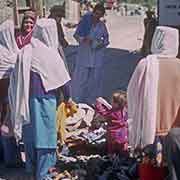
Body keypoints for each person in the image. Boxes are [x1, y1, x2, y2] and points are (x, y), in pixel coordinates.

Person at [10, 17, 72, 179]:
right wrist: (68, 98)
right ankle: (44, 173)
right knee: (46, 137)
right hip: (45, 99)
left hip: (25, 100)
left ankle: (30, 169)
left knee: (30, 135)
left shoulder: (26, 50)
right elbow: (64, 81)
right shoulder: (50, 54)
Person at [128, 26, 180, 152]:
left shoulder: (146, 64)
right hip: (176, 128)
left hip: (150, 129)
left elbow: (132, 93)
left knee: (152, 167)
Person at [72, 3, 109, 105]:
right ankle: (77, 100)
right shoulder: (85, 22)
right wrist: (84, 40)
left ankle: (91, 101)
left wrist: (100, 44)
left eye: (100, 15)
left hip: (97, 56)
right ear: (93, 12)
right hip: (84, 55)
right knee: (80, 79)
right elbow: (76, 35)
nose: (97, 16)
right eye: (96, 14)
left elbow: (106, 39)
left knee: (94, 80)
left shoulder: (102, 25)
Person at [0, 20, 21, 167]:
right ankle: (9, 159)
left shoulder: (11, 49)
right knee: (8, 126)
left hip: (7, 93)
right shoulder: (8, 52)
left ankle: (6, 156)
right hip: (7, 93)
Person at [95, 91, 128, 155]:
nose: (111, 101)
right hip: (123, 135)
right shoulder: (124, 112)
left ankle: (111, 156)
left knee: (111, 148)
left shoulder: (111, 114)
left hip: (113, 136)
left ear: (116, 104)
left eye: (112, 101)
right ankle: (125, 155)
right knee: (123, 149)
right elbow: (112, 109)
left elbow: (102, 111)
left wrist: (98, 103)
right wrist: (106, 104)